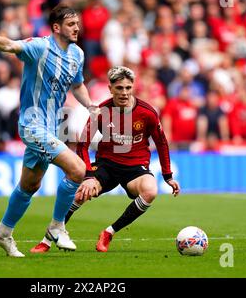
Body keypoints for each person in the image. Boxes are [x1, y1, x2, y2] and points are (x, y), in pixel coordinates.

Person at [0, 4, 97, 257]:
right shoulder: (40, 47)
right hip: (32, 124)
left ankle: (3, 233)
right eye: (71, 24)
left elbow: (78, 85)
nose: (77, 28)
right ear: (56, 27)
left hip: (53, 126)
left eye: (78, 24)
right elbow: (11, 45)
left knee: (29, 185)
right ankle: (57, 227)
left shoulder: (78, 54)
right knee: (77, 169)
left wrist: (92, 106)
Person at [31, 66, 180, 253]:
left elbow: (162, 143)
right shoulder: (100, 112)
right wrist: (88, 176)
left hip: (135, 168)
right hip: (106, 166)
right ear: (110, 88)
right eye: (119, 88)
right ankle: (46, 241)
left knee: (150, 191)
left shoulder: (147, 112)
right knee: (80, 194)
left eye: (128, 88)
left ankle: (109, 232)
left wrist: (167, 176)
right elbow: (83, 145)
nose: (124, 93)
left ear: (133, 87)